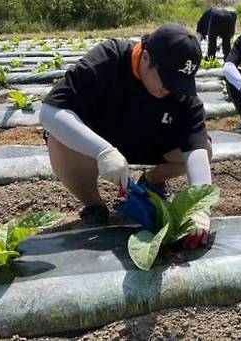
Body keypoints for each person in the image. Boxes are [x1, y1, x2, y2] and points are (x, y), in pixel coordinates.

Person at [39, 24, 213, 249]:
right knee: (58, 138)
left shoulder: (179, 89)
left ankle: (152, 180)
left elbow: (196, 149)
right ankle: (94, 205)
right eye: (166, 80)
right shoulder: (107, 60)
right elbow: (50, 112)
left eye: (178, 83)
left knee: (206, 148)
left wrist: (199, 207)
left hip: (150, 142)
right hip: (100, 142)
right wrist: (103, 151)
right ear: (146, 57)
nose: (170, 90)